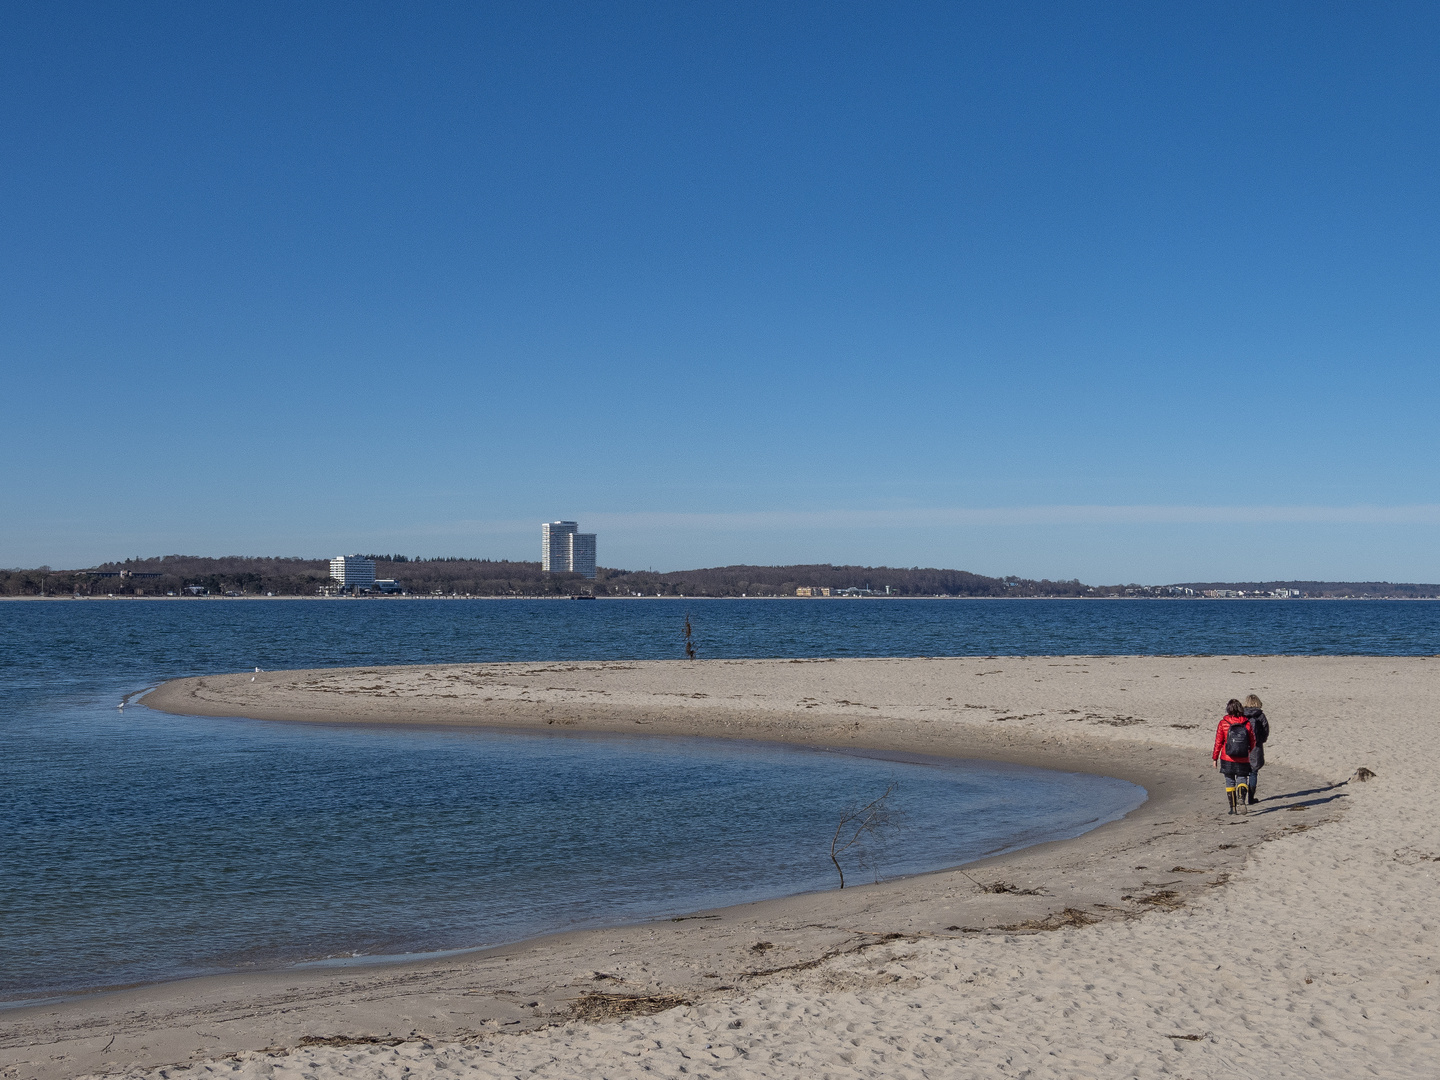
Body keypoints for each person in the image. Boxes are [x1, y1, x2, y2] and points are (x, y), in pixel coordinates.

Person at [1213, 699, 1255, 815]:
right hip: (1243, 756)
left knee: (1229, 780)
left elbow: (1218, 742)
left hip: (1227, 757)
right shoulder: (1247, 723)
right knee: (1242, 779)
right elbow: (1252, 740)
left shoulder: (1223, 722)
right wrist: (1249, 751)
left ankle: (1233, 808)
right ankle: (1241, 797)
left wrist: (1215, 758)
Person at [1242, 693, 1270, 804]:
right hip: (1256, 747)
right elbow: (1265, 730)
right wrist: (1261, 741)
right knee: (1253, 772)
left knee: (1242, 774)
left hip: (1242, 747)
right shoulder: (1260, 716)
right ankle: (1251, 798)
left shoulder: (1241, 715)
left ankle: (1242, 797)